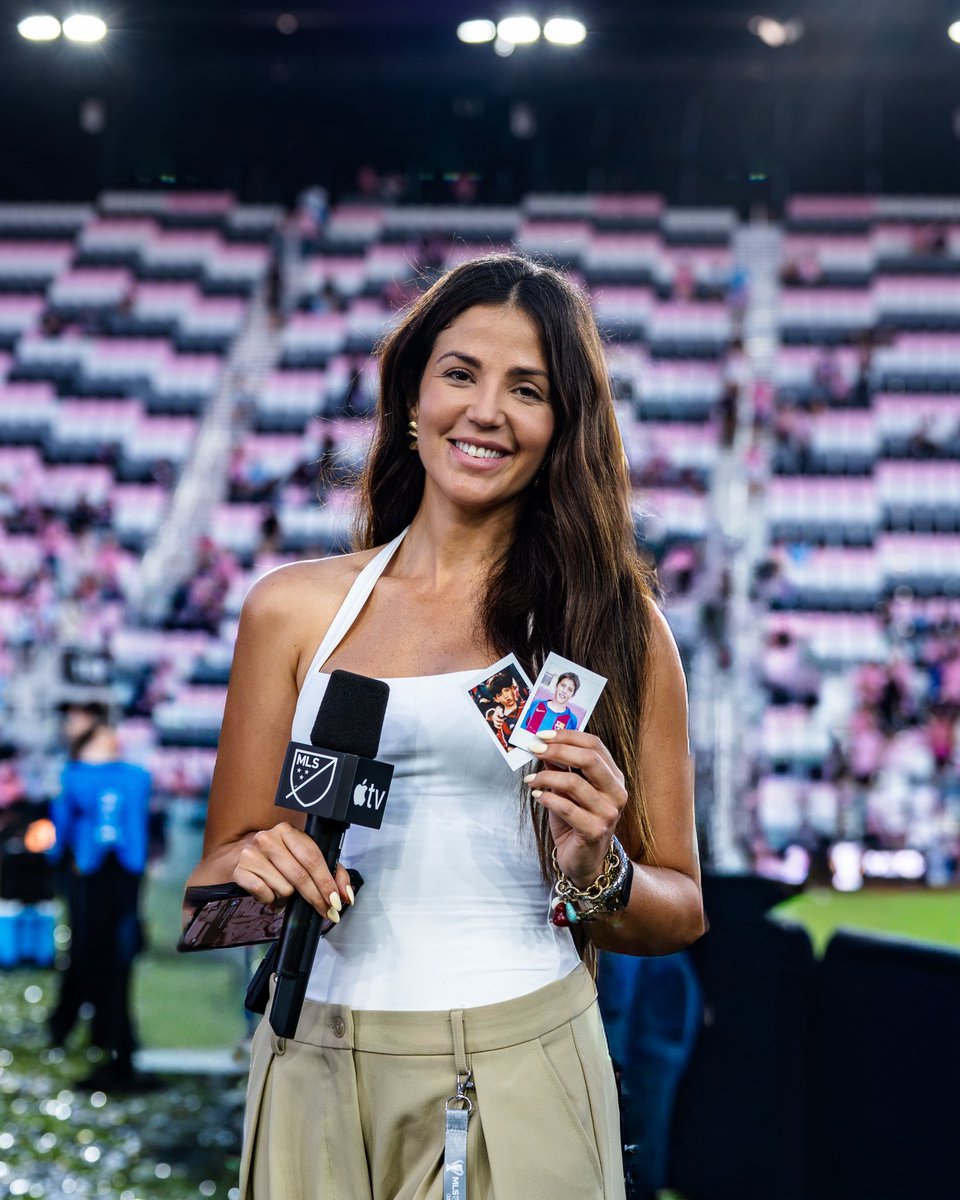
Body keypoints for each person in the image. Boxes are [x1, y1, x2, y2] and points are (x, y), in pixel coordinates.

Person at [187, 253, 703, 1199]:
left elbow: (681, 909)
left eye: (529, 389)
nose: (487, 411)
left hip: (520, 1057)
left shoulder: (606, 630)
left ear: (563, 427)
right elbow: (217, 872)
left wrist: (597, 870)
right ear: (413, 393)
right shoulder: (291, 610)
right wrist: (264, 868)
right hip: (309, 1056)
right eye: (461, 373)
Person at [48, 701, 154, 1091]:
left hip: (119, 875)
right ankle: (96, 1036)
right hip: (93, 876)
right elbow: (63, 826)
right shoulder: (81, 776)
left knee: (110, 957)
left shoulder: (129, 775)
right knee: (93, 955)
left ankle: (107, 1041)